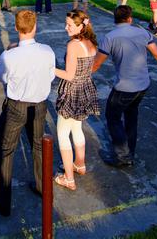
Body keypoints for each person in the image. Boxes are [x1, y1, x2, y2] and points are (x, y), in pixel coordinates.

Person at [0, 10, 56, 216]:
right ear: (35, 27)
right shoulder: (47, 51)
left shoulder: (9, 56)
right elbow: (50, 75)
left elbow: (2, 77)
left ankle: (3, 201)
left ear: (16, 28)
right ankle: (42, 186)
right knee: (38, 147)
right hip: (39, 105)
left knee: (6, 151)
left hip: (16, 106)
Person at [92, 6, 157, 167]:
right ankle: (130, 151)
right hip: (143, 85)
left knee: (112, 117)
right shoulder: (143, 33)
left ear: (115, 19)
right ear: (129, 18)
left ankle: (123, 156)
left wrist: (81, 76)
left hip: (124, 87)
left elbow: (97, 63)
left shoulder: (110, 37)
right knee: (131, 116)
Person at [53, 10, 100, 191]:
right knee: (77, 128)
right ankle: (79, 164)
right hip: (85, 89)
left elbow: (69, 75)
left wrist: (49, 68)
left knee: (62, 134)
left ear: (81, 26)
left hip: (72, 92)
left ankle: (68, 178)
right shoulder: (91, 42)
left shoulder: (73, 45)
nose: (66, 27)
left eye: (70, 25)